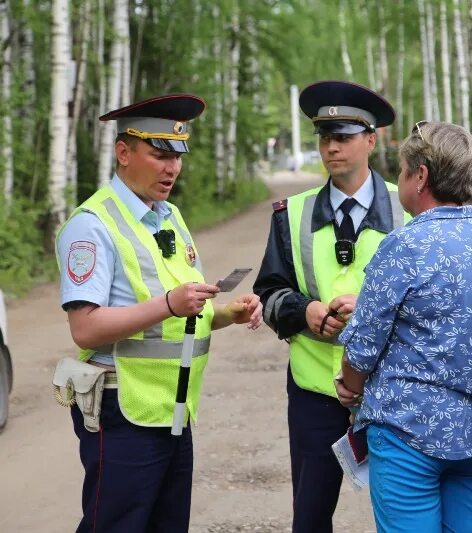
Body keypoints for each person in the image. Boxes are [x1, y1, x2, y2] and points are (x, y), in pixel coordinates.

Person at [56, 94, 263, 532]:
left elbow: (179, 315)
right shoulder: (91, 225)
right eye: (160, 154)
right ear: (124, 152)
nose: (172, 168)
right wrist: (169, 303)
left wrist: (226, 313)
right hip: (121, 410)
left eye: (178, 156)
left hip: (173, 410)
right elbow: (85, 328)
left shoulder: (168, 217)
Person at [334, 121, 472, 533]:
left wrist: (351, 385)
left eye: (402, 170)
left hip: (406, 432)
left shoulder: (404, 246)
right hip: (468, 431)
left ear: (421, 177)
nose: (399, 179)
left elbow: (362, 345)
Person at [253, 80, 408, 533]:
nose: (331, 148)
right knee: (311, 516)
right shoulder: (291, 213)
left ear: (371, 140)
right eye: (325, 138)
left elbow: (432, 304)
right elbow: (270, 292)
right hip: (315, 394)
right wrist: (304, 312)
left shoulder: (411, 210)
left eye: (342, 137)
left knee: (401, 515)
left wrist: (373, 310)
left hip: (391, 391)